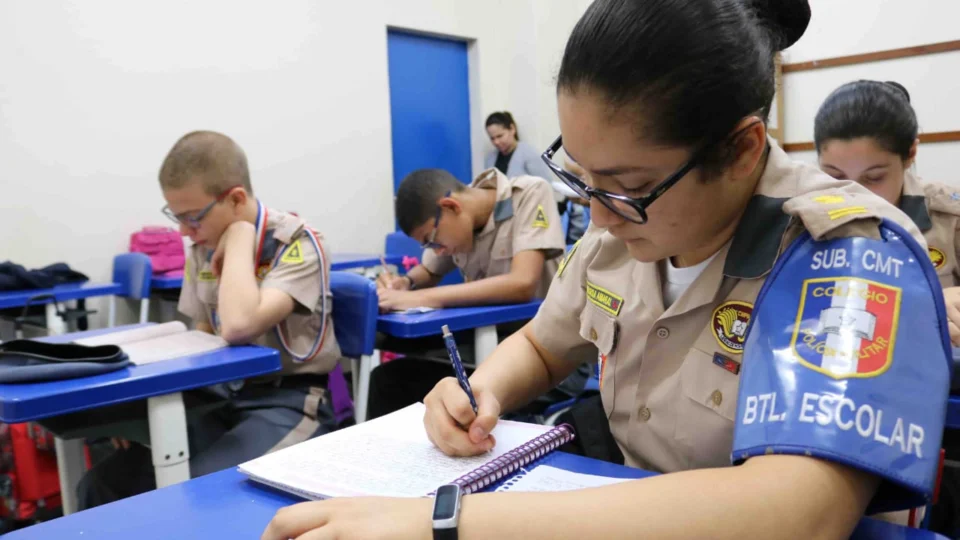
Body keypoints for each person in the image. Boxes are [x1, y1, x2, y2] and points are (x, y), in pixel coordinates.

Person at [262, 1, 951, 539]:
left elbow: (798, 513)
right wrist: (481, 392)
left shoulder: (850, 252)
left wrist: (447, 521)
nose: (596, 218)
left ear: (741, 151)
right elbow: (541, 343)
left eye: (622, 185)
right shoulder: (624, 226)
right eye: (580, 177)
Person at [78, 131, 345, 509]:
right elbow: (202, 336)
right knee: (103, 485)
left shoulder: (298, 244)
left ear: (236, 198)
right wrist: (142, 411)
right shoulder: (203, 243)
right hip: (221, 398)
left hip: (290, 401)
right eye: (176, 216)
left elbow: (237, 326)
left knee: (197, 494)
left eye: (192, 218)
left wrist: (238, 236)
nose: (184, 232)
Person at [815, 80, 960, 534]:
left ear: (911, 154)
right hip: (828, 404)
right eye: (835, 177)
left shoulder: (947, 216)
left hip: (925, 410)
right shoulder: (803, 215)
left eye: (875, 177)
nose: (854, 195)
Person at [370, 167, 589, 419]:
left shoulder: (528, 193)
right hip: (487, 347)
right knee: (386, 380)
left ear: (451, 206)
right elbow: (429, 271)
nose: (438, 250)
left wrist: (415, 298)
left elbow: (522, 282)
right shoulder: (456, 227)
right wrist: (405, 283)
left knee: (438, 397)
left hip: (548, 358)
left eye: (433, 240)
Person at [485, 111, 588, 243]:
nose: (497, 142)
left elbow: (545, 187)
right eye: (492, 138)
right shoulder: (490, 159)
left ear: (512, 129)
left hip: (528, 218)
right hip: (502, 219)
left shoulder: (528, 154)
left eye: (500, 136)